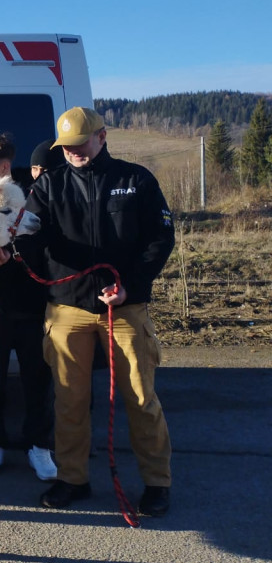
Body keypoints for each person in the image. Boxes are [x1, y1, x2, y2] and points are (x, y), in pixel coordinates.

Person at [21, 107, 175, 517]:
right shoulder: (50, 186)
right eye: (66, 147)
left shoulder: (135, 180)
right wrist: (12, 246)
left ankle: (157, 483)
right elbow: (28, 233)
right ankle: (73, 479)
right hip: (68, 309)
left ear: (102, 136)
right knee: (70, 400)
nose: (73, 152)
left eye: (80, 144)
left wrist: (131, 285)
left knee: (141, 398)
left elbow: (161, 238)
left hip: (125, 308)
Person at [0, 134, 56, 482]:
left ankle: (39, 445)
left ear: (4, 168)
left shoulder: (34, 199)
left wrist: (15, 254)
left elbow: (48, 244)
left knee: (37, 380)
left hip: (32, 307)